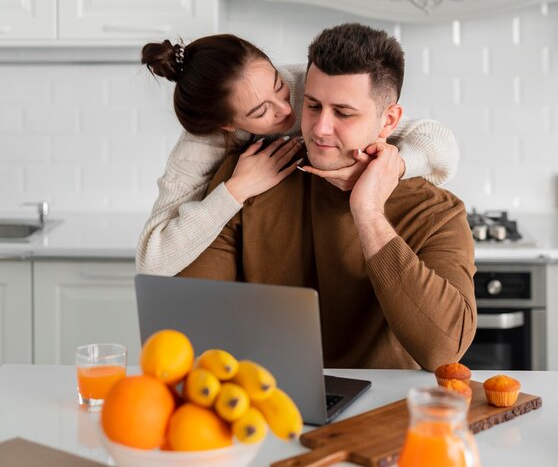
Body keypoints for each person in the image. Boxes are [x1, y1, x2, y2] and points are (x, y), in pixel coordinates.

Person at [178, 23, 477, 372]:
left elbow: (443, 350)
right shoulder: (250, 176)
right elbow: (190, 320)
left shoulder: (436, 211)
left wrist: (367, 213)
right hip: (267, 402)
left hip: (386, 414)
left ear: (389, 120)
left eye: (344, 113)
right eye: (313, 105)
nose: (319, 128)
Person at [136, 34, 459, 276]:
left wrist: (394, 167)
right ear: (227, 124)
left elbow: (439, 142)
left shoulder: (308, 86)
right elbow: (153, 260)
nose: (286, 109)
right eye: (261, 111)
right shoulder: (201, 143)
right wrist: (237, 189)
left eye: (279, 86)